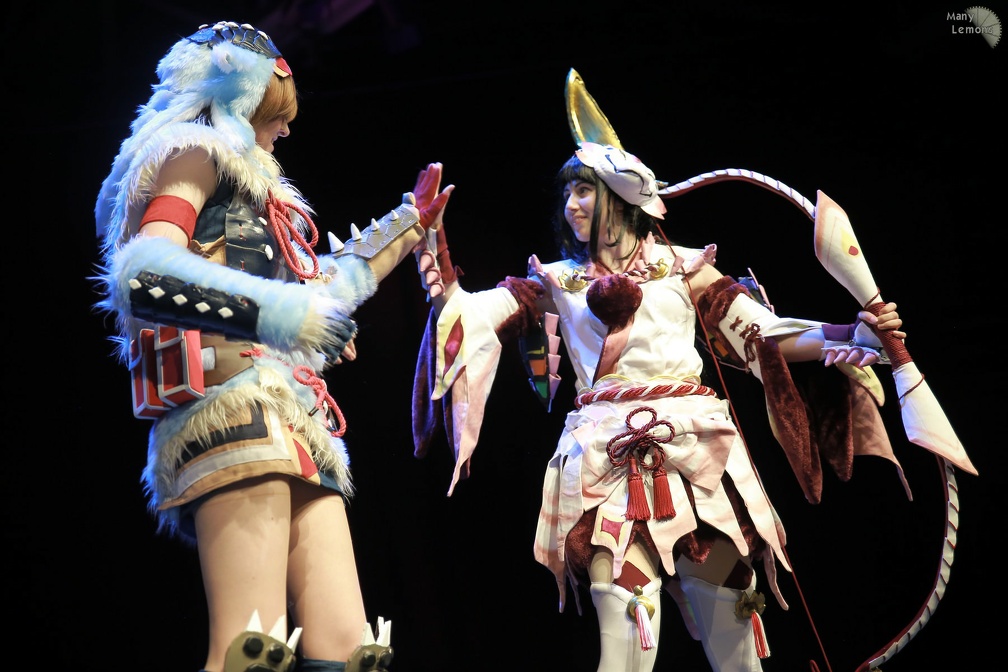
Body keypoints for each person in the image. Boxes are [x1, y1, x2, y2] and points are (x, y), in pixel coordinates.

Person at [408, 134, 915, 667]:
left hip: (698, 472)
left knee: (735, 640)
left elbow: (765, 335)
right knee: (624, 643)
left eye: (584, 191)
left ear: (621, 196)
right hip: (608, 473)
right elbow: (471, 317)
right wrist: (433, 249)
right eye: (567, 194)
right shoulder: (556, 282)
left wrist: (853, 334)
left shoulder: (685, 267)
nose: (571, 205)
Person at [94, 21, 445, 672]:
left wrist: (409, 226)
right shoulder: (192, 152)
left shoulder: (256, 199)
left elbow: (319, 292)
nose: (284, 128)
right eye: (272, 112)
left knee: (351, 654)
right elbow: (144, 273)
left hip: (294, 418)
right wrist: (286, 316)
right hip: (228, 405)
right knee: (252, 651)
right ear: (237, 95)